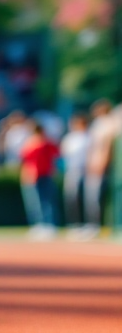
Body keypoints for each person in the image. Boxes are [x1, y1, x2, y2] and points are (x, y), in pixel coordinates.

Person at [84, 101, 121, 238]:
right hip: (94, 163)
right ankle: (94, 224)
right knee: (93, 196)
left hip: (102, 165)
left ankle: (99, 225)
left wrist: (103, 162)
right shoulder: (98, 124)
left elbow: (106, 145)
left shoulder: (108, 124)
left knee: (100, 197)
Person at [18, 122, 59, 239]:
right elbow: (25, 161)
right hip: (32, 176)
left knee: (46, 201)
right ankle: (38, 224)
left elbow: (56, 155)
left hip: (45, 174)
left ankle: (49, 225)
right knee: (34, 202)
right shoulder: (29, 143)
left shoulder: (45, 143)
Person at [59, 114, 91, 236]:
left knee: (86, 199)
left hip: (86, 172)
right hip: (72, 172)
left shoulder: (89, 137)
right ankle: (74, 224)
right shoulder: (69, 139)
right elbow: (63, 156)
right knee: (71, 198)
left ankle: (88, 224)